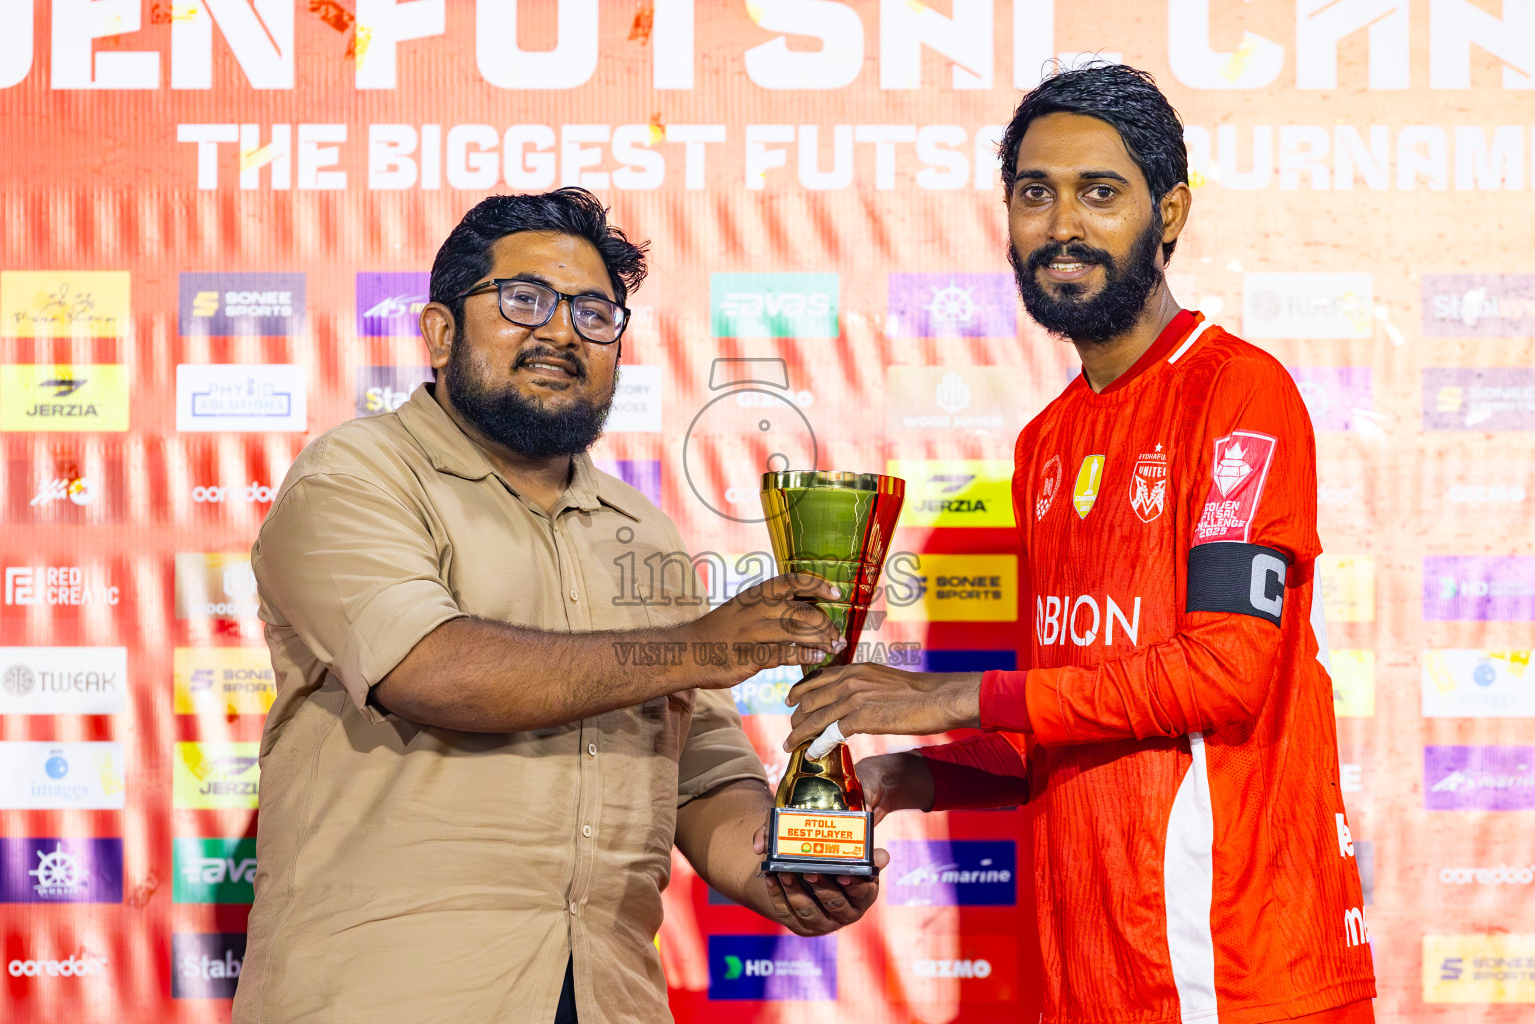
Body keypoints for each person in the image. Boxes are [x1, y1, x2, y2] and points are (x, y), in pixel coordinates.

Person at [782, 65, 1376, 1023]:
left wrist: (946, 694)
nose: (1063, 225)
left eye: (1100, 193)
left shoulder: (1238, 393)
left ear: (1169, 213)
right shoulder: (1046, 442)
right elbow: (1065, 720)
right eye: (1035, 194)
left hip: (1231, 972)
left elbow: (1225, 673)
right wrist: (900, 776)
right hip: (1089, 980)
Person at [234, 188, 883, 1024]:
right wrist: (697, 647)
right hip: (392, 994)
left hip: (610, 995)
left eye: (593, 313)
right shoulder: (355, 476)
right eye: (523, 300)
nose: (562, 332)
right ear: (439, 331)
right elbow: (427, 669)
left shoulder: (642, 532)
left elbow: (700, 772)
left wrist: (784, 868)